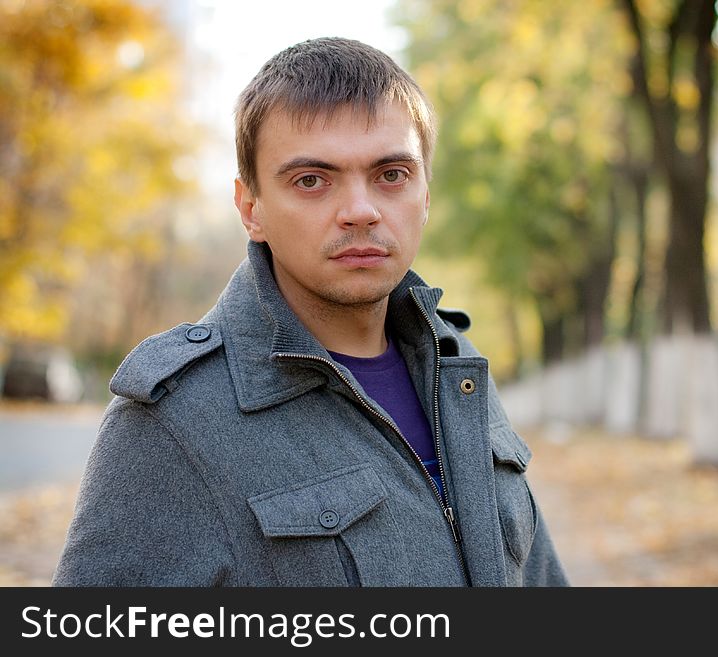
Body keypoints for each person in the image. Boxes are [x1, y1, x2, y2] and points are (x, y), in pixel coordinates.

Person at [53, 37, 569, 587]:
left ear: (425, 195)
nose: (361, 211)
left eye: (391, 174)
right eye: (312, 181)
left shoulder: (457, 367)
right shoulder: (176, 421)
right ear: (251, 209)